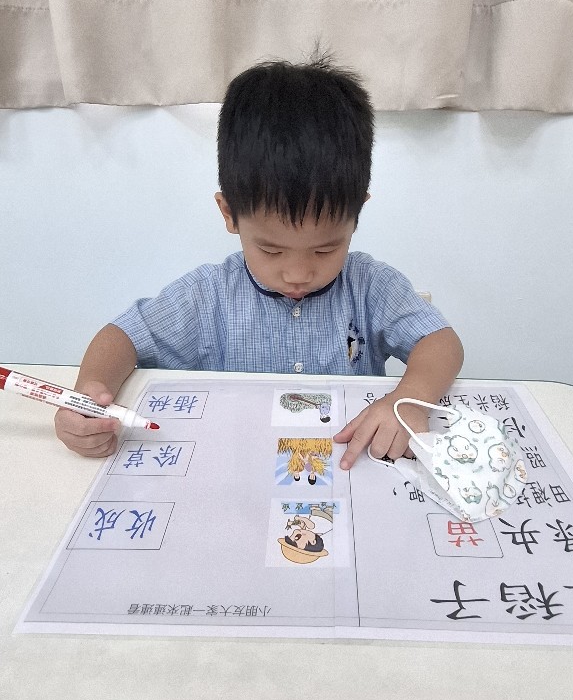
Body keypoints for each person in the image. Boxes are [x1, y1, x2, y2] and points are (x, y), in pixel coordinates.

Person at [55, 49, 463, 466]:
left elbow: (440, 342)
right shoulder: (208, 296)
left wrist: (408, 401)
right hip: (238, 464)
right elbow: (122, 337)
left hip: (346, 468)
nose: (298, 273)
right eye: (271, 249)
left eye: (325, 249)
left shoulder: (370, 286)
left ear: (357, 214)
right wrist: (89, 395)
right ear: (229, 214)